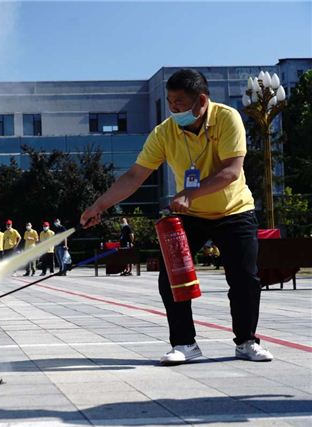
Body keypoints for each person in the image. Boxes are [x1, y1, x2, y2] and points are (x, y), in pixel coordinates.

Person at [81, 69, 273, 364]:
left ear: (202, 100)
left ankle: (246, 341)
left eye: (180, 102)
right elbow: (135, 175)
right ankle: (185, 343)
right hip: (191, 214)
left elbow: (231, 172)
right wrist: (99, 206)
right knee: (171, 277)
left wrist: (187, 194)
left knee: (245, 279)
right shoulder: (164, 132)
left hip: (234, 210)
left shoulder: (227, 118)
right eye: (169, 101)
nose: (174, 108)